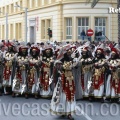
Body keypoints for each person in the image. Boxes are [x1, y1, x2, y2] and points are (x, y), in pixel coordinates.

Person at [50, 44, 76, 120]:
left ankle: (69, 112)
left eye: (70, 51)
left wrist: (75, 61)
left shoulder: (72, 58)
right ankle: (62, 111)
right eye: (68, 51)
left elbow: (76, 66)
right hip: (62, 80)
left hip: (70, 79)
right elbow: (58, 70)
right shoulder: (60, 60)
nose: (69, 52)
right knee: (62, 96)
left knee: (70, 95)